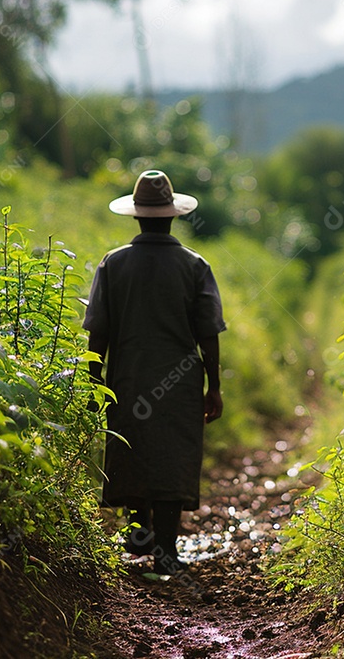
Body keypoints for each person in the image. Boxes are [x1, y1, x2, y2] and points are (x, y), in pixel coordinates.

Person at [83, 170, 225, 575]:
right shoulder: (195, 265)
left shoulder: (114, 264)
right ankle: (165, 550)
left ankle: (137, 533)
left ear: (136, 217)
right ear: (172, 216)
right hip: (180, 381)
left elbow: (98, 333)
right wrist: (213, 387)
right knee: (173, 455)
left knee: (132, 449)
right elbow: (209, 334)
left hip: (128, 377)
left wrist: (97, 383)